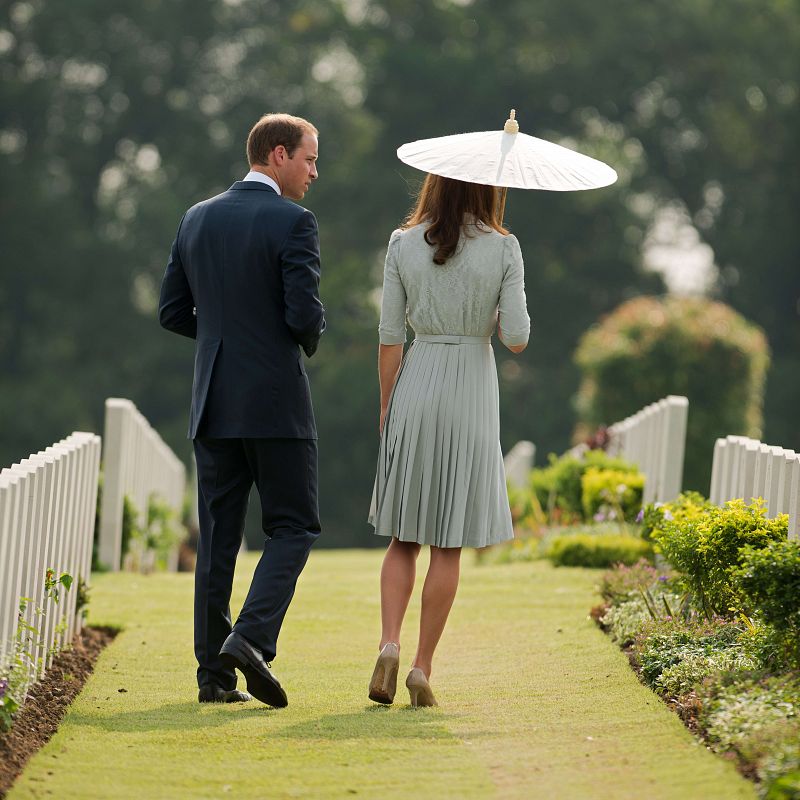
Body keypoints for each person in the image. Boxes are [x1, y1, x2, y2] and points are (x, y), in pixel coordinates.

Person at [158, 113, 325, 708]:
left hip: (213, 402)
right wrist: (299, 334)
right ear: (277, 155)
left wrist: (223, 337)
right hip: (276, 402)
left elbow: (173, 313)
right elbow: (304, 317)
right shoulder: (294, 221)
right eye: (308, 158)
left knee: (218, 542)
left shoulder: (195, 218)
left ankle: (213, 679)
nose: (313, 171)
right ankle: (252, 638)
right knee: (295, 526)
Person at [368, 174, 530, 707]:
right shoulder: (504, 247)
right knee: (447, 543)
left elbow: (391, 335)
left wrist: (388, 405)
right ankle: (420, 666)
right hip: (471, 394)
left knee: (402, 537)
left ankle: (388, 644)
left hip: (415, 383)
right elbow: (517, 338)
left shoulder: (400, 243)